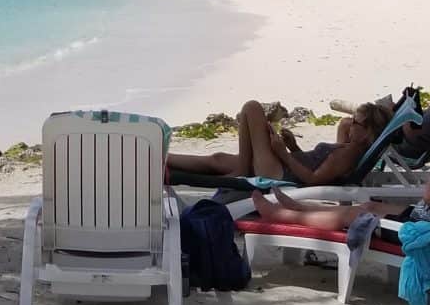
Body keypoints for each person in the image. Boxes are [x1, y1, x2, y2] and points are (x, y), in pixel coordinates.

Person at [165, 100, 391, 185]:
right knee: (218, 159)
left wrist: (282, 154)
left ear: (368, 133)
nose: (350, 124)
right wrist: (293, 147)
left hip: (281, 173)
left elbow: (312, 180)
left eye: (356, 123)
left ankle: (242, 171)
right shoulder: (350, 148)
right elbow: (316, 165)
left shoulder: (348, 156)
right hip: (285, 163)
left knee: (252, 109)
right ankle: (162, 158)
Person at [249, 180, 430, 232]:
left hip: (420, 230)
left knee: (354, 216)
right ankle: (299, 207)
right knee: (370, 206)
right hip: (420, 216)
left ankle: (281, 215)